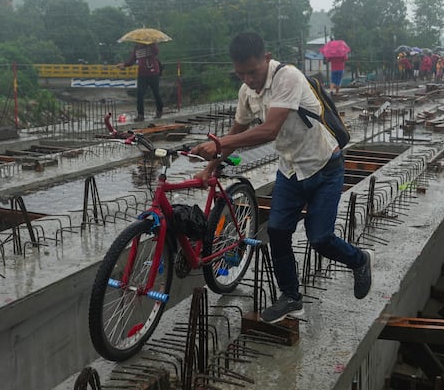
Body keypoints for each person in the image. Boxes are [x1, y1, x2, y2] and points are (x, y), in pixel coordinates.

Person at [190, 32, 372, 324]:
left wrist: (218, 143)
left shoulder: (288, 77)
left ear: (266, 58)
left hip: (325, 166)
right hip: (290, 169)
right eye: (241, 74)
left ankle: (359, 259)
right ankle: (291, 297)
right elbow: (237, 134)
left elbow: (270, 130)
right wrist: (211, 167)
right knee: (277, 231)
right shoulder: (246, 92)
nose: (248, 79)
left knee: (320, 237)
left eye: (253, 71)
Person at [117, 42, 163, 122]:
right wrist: (124, 64)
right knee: (140, 94)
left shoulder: (151, 45)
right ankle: (140, 115)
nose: (139, 43)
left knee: (156, 93)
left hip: (153, 73)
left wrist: (151, 44)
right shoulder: (136, 48)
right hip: (142, 74)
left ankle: (159, 111)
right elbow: (132, 60)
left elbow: (156, 52)